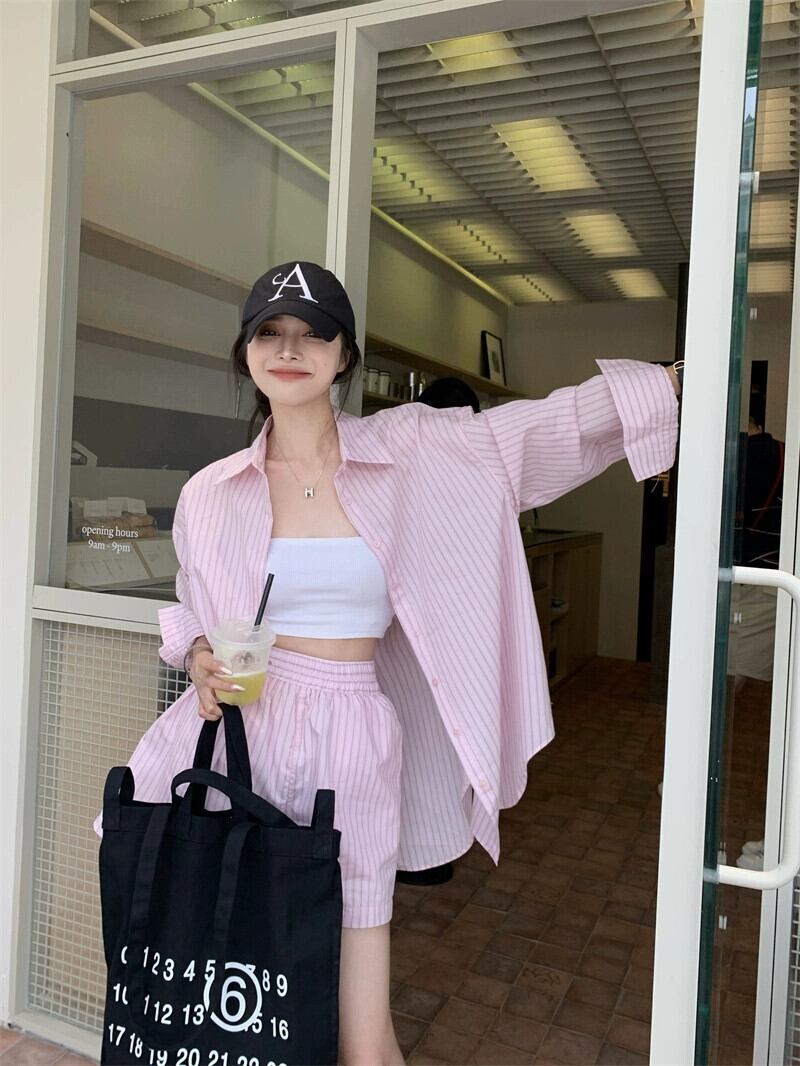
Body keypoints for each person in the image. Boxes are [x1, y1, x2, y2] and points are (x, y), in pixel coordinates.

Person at [99, 261, 681, 1065]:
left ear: (345, 356)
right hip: (238, 737)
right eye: (270, 332)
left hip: (352, 738)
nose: (290, 349)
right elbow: (195, 608)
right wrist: (197, 654)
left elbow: (530, 434)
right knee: (226, 996)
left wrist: (665, 386)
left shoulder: (411, 449)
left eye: (314, 333)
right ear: (246, 353)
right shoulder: (211, 492)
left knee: (361, 1031)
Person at [394, 376, 481, 888]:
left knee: (410, 740)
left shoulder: (396, 467)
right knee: (443, 744)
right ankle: (433, 851)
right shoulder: (472, 470)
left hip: (398, 632)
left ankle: (410, 852)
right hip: (451, 633)